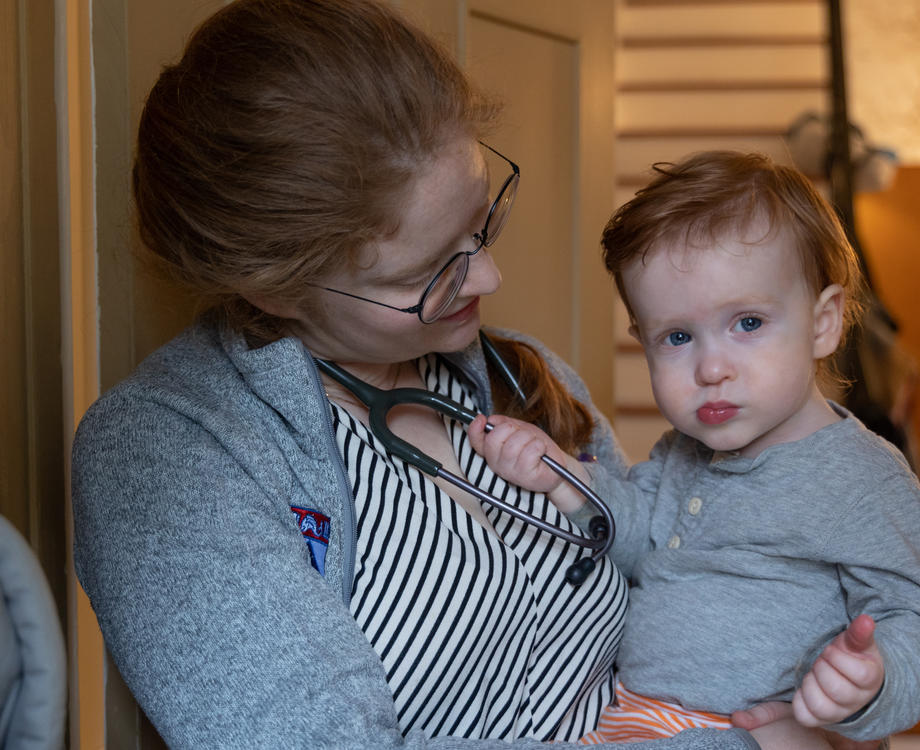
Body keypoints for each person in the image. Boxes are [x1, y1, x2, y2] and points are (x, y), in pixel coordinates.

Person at [70, 2, 764, 748]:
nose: (489, 276)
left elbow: (674, 593)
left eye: (481, 224)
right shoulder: (167, 455)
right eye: (426, 272)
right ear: (272, 287)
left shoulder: (526, 377)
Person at [469, 151, 920, 748]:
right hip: (633, 720)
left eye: (747, 323)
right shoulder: (682, 450)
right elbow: (639, 536)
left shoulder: (865, 478)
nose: (711, 367)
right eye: (677, 337)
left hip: (749, 730)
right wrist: (566, 479)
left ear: (823, 322)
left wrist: (873, 682)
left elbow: (917, 619)